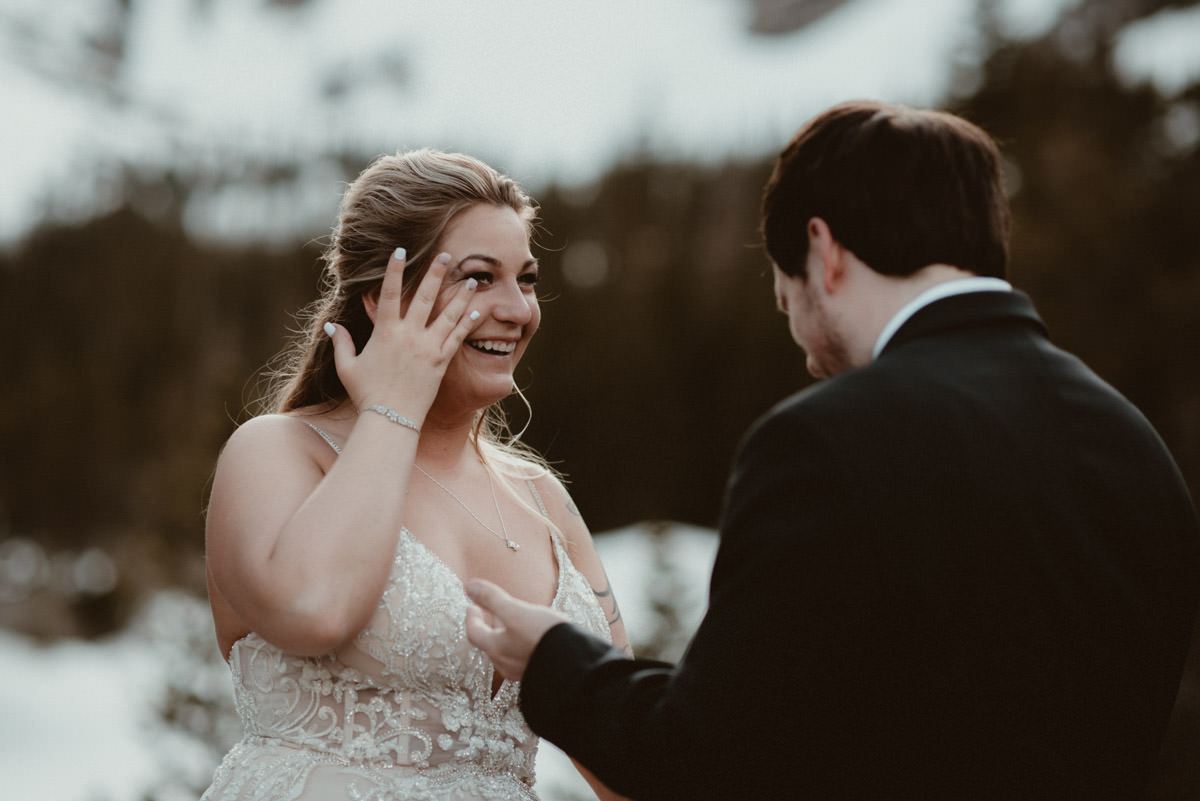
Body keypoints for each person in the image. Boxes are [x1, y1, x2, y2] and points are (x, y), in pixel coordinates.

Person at [465, 100, 1200, 800]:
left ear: (824, 250)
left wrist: (555, 661)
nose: (806, 350)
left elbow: (711, 759)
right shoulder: (1136, 449)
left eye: (787, 295)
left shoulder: (826, 442)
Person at [201, 149, 631, 801]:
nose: (518, 309)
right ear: (382, 296)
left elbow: (632, 747)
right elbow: (314, 609)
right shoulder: (276, 452)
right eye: (480, 278)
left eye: (527, 279)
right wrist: (393, 407)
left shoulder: (543, 499)